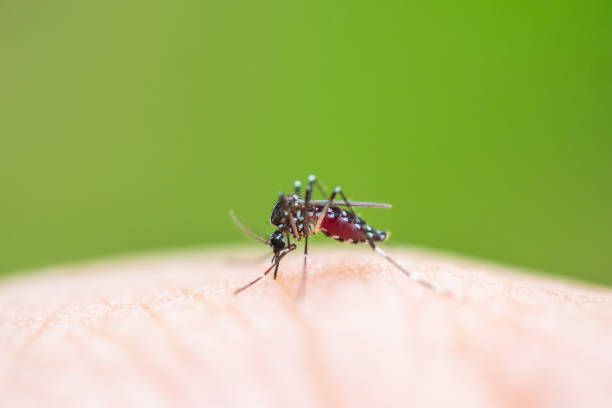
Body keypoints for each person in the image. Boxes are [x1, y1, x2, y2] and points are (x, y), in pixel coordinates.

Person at [1, 248, 611, 407]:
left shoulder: (301, 226)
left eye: (278, 251)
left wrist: (298, 275)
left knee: (311, 199)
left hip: (339, 226)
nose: (279, 253)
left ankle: (374, 247)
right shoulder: (287, 230)